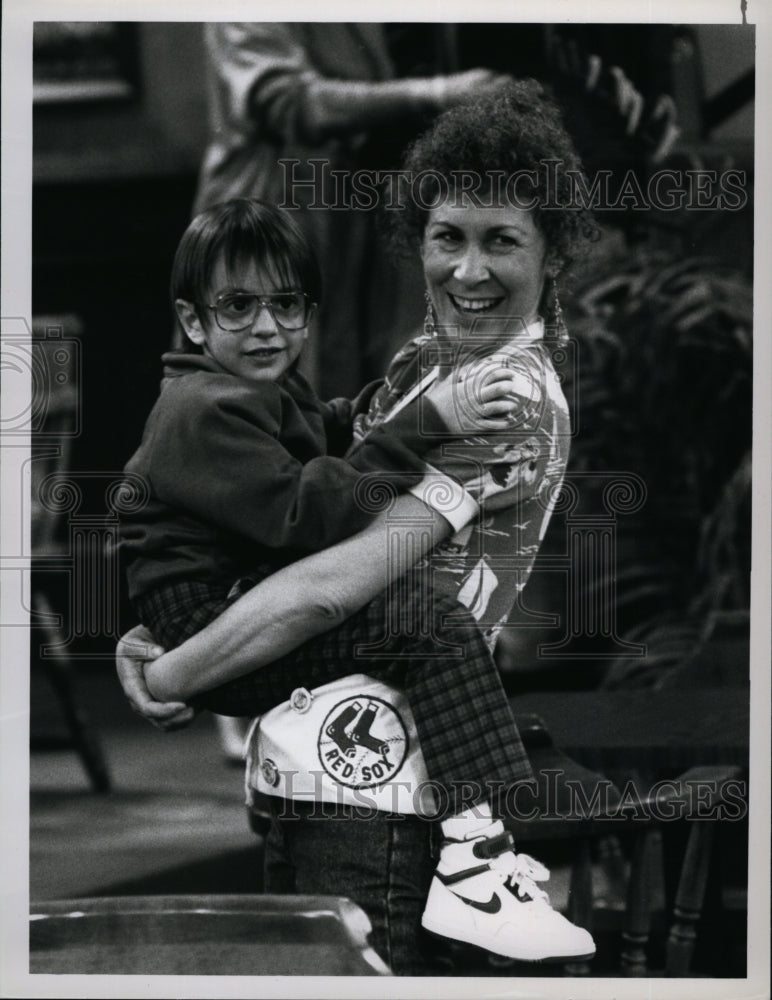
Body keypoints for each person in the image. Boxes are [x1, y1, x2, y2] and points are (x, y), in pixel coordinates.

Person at [118, 80, 605, 974]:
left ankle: (483, 857)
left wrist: (179, 667)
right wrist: (168, 617)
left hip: (381, 796)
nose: (467, 270)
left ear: (554, 255)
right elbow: (278, 514)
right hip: (306, 774)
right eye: (446, 237)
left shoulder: (504, 397)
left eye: (502, 241)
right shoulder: (431, 365)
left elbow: (325, 586)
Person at [193, 22, 512, 397]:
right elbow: (293, 105)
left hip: (350, 215)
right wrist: (435, 93)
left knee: (341, 388)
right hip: (266, 216)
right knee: (257, 394)